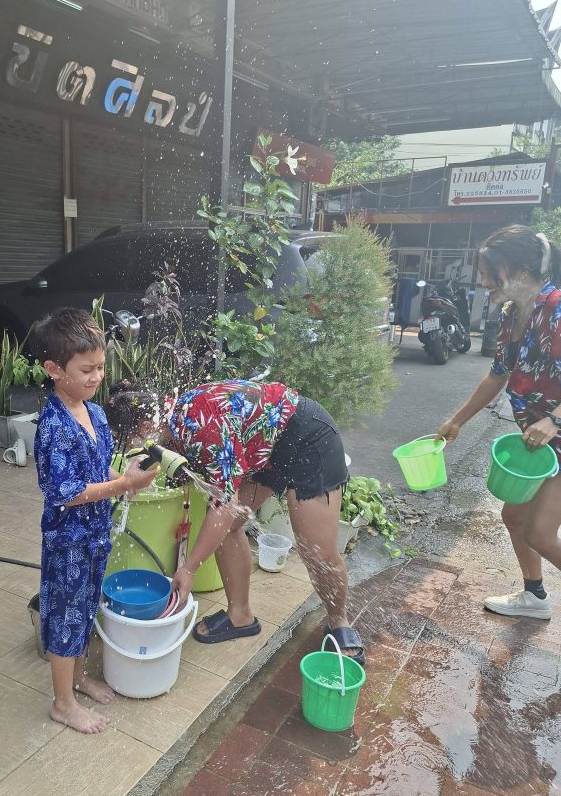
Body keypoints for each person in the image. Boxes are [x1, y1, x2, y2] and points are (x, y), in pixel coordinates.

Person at [106, 378, 364, 663]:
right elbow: (161, 452)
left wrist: (189, 569)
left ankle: (339, 621)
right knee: (225, 529)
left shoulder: (200, 423)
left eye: (131, 439)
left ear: (145, 426)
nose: (134, 444)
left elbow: (225, 504)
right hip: (269, 449)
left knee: (316, 551)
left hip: (309, 439)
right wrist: (133, 473)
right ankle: (240, 616)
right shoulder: (170, 416)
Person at [32, 308, 156, 734]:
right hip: (68, 540)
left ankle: (79, 678)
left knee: (86, 607)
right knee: (66, 616)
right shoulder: (53, 426)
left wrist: (126, 478)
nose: (97, 377)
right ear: (54, 369)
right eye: (86, 370)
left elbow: (101, 470)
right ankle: (62, 703)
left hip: (95, 534)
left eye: (101, 367)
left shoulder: (95, 414)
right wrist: (123, 484)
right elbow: (65, 492)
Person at [438, 226, 561, 620]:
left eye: (489, 272)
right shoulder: (512, 314)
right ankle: (535, 596)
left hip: (554, 436)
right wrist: (456, 421)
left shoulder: (557, 309)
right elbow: (497, 374)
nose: (482, 281)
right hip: (538, 441)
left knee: (540, 533)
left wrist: (554, 421)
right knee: (515, 516)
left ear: (520, 272)